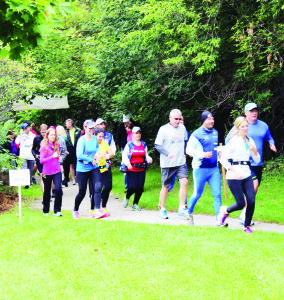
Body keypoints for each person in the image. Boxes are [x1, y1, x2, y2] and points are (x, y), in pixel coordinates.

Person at [225, 102, 277, 225]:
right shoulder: (241, 126)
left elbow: (269, 137)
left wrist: (271, 143)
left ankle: (244, 214)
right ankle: (244, 216)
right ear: (245, 113)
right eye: (251, 111)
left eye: (255, 110)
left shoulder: (263, 125)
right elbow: (229, 140)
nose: (254, 113)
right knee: (254, 186)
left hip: (258, 163)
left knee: (253, 191)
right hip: (246, 164)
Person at [219, 117, 260, 233]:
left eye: (247, 126)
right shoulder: (233, 141)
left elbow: (257, 160)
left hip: (246, 174)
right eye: (243, 126)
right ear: (238, 128)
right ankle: (225, 211)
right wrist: (234, 170)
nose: (245, 128)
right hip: (233, 176)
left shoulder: (249, 141)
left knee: (251, 201)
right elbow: (222, 159)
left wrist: (255, 151)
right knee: (241, 203)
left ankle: (246, 227)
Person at [185, 110, 223, 226]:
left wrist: (220, 153)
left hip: (214, 169)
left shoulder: (216, 132)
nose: (212, 121)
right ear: (203, 121)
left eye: (213, 119)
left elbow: (216, 148)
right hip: (200, 169)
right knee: (197, 193)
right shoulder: (196, 134)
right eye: (209, 119)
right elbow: (188, 150)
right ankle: (189, 213)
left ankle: (219, 221)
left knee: (217, 194)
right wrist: (203, 154)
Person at [155, 109, 188, 219]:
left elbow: (185, 141)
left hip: (180, 162)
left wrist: (185, 152)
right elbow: (157, 145)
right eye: (176, 119)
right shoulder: (163, 129)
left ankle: (182, 207)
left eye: (180, 119)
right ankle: (162, 208)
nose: (178, 121)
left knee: (184, 181)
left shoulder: (182, 128)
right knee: (166, 186)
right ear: (170, 118)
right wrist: (167, 153)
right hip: (167, 163)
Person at [73, 120, 107, 220]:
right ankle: (75, 210)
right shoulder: (81, 140)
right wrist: (90, 159)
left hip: (94, 167)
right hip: (82, 168)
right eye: (89, 128)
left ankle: (97, 211)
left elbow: (97, 148)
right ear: (85, 128)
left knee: (97, 186)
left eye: (92, 128)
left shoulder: (94, 139)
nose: (91, 130)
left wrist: (97, 154)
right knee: (82, 192)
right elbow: (79, 155)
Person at [122, 127, 152, 210]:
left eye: (139, 133)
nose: (138, 135)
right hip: (131, 168)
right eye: (136, 133)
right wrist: (127, 163)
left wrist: (149, 158)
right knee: (132, 187)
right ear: (133, 134)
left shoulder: (143, 144)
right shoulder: (129, 145)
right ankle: (127, 197)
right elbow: (124, 155)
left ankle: (135, 204)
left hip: (141, 169)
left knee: (140, 188)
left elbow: (146, 154)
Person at [40, 128, 63, 216]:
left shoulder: (57, 145)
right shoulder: (44, 146)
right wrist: (52, 157)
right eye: (51, 135)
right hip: (47, 172)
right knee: (47, 191)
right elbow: (41, 160)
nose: (53, 136)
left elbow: (56, 155)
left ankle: (57, 210)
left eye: (54, 135)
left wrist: (59, 156)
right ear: (47, 136)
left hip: (57, 170)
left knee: (58, 189)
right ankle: (45, 210)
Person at [94, 127, 115, 216]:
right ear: (94, 135)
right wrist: (98, 156)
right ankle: (96, 208)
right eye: (99, 136)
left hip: (104, 168)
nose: (101, 138)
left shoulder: (105, 143)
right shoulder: (92, 144)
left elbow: (112, 154)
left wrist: (108, 155)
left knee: (108, 187)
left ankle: (104, 206)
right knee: (97, 188)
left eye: (102, 136)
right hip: (95, 169)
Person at [15, 121, 36, 188]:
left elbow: (35, 144)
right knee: (24, 169)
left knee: (30, 169)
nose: (26, 129)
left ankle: (29, 181)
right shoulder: (21, 135)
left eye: (27, 127)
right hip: (23, 155)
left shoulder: (33, 135)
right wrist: (21, 134)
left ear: (29, 127)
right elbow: (17, 142)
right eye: (24, 128)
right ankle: (26, 183)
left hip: (31, 155)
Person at [64, 119, 81, 185]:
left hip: (77, 149)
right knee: (71, 164)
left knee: (78, 163)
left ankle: (78, 178)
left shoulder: (78, 130)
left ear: (70, 124)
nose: (66, 125)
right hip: (70, 150)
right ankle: (73, 179)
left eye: (66, 123)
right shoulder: (65, 132)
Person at [32, 124, 48, 192]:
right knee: (42, 176)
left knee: (47, 177)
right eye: (42, 132)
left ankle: (49, 193)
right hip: (40, 160)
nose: (44, 134)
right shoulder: (36, 138)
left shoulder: (49, 138)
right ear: (40, 131)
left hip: (48, 159)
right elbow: (33, 149)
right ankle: (45, 195)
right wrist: (35, 155)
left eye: (45, 132)